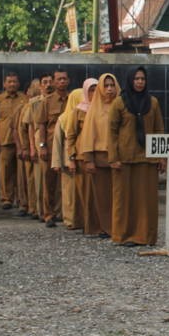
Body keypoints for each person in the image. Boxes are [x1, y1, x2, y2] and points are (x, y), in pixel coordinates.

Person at [109, 67, 166, 246]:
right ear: (130, 80)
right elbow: (111, 132)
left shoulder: (153, 102)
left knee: (146, 200)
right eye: (136, 79)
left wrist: (162, 157)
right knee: (123, 199)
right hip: (125, 158)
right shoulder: (119, 102)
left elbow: (159, 129)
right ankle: (123, 235)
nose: (140, 82)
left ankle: (145, 236)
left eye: (142, 79)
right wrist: (113, 157)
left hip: (148, 158)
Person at [79, 73, 120, 238]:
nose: (109, 89)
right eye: (106, 86)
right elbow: (88, 134)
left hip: (119, 158)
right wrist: (88, 159)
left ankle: (118, 226)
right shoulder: (94, 109)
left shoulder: (121, 106)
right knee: (102, 196)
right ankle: (105, 227)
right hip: (100, 158)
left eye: (112, 85)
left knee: (118, 196)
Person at [0, 72, 27, 211]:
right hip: (4, 141)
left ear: (18, 84)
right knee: (5, 171)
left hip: (22, 142)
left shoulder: (24, 98)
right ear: (4, 84)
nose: (12, 84)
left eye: (14, 81)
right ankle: (6, 199)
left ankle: (21, 199)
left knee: (21, 172)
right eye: (9, 81)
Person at [36, 69, 70, 226]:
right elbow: (42, 125)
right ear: (54, 82)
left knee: (66, 182)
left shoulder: (74, 100)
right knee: (49, 181)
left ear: (68, 81)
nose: (61, 82)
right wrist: (42, 146)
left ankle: (64, 213)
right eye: (58, 79)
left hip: (68, 146)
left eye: (64, 79)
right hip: (50, 146)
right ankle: (48, 214)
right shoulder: (47, 102)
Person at [65, 78, 97, 234]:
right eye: (91, 89)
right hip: (81, 157)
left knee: (97, 193)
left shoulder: (105, 108)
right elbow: (71, 135)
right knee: (83, 192)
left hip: (99, 157)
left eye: (97, 89)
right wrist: (71, 158)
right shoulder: (78, 110)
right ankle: (84, 223)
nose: (94, 93)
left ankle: (97, 223)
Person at [52, 88, 85, 230]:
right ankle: (70, 219)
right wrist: (57, 162)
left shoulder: (87, 114)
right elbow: (58, 141)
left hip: (83, 159)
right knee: (69, 193)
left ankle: (83, 219)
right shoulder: (63, 118)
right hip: (68, 160)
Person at [25, 74, 52, 219]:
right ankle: (41, 210)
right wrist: (32, 147)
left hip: (54, 138)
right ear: (40, 85)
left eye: (50, 82)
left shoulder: (56, 100)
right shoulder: (34, 102)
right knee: (40, 178)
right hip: (38, 139)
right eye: (45, 82)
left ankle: (56, 211)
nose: (48, 85)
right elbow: (30, 126)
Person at [13, 78, 40, 217]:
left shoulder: (43, 103)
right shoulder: (24, 107)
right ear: (28, 91)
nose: (37, 89)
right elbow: (18, 129)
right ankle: (27, 205)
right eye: (34, 87)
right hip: (27, 148)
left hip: (39, 148)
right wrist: (23, 148)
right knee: (27, 179)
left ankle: (36, 207)